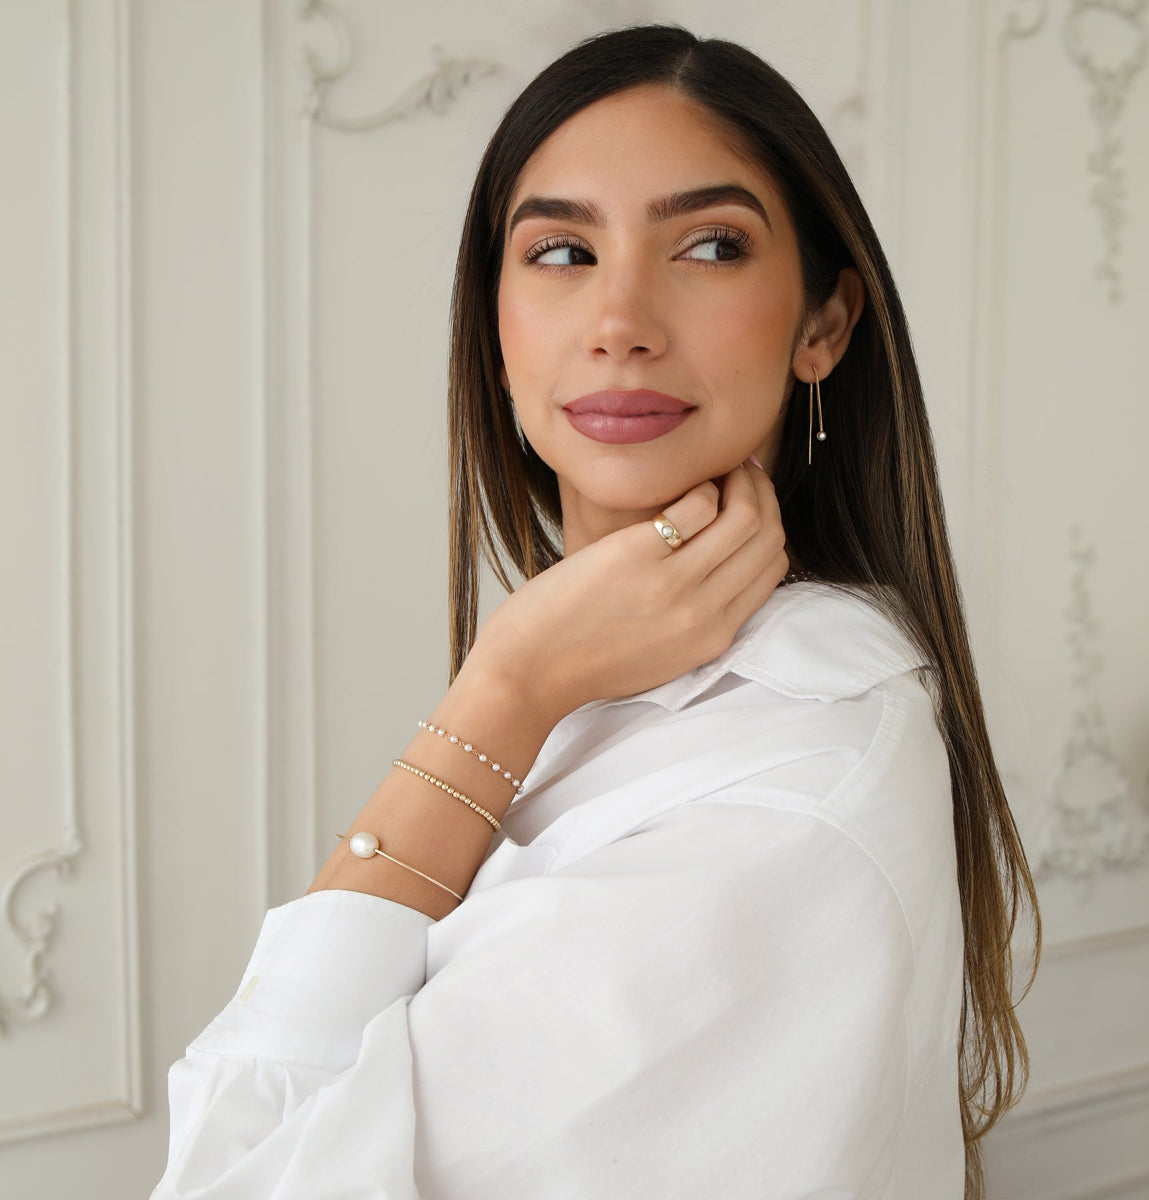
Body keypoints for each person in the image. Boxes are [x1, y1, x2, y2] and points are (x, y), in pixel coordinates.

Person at [149, 24, 1041, 1200]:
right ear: (497, 323)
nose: (620, 318)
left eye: (710, 246)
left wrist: (502, 690)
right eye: (562, 251)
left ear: (822, 325)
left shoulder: (793, 794)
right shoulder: (605, 676)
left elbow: (235, 1182)